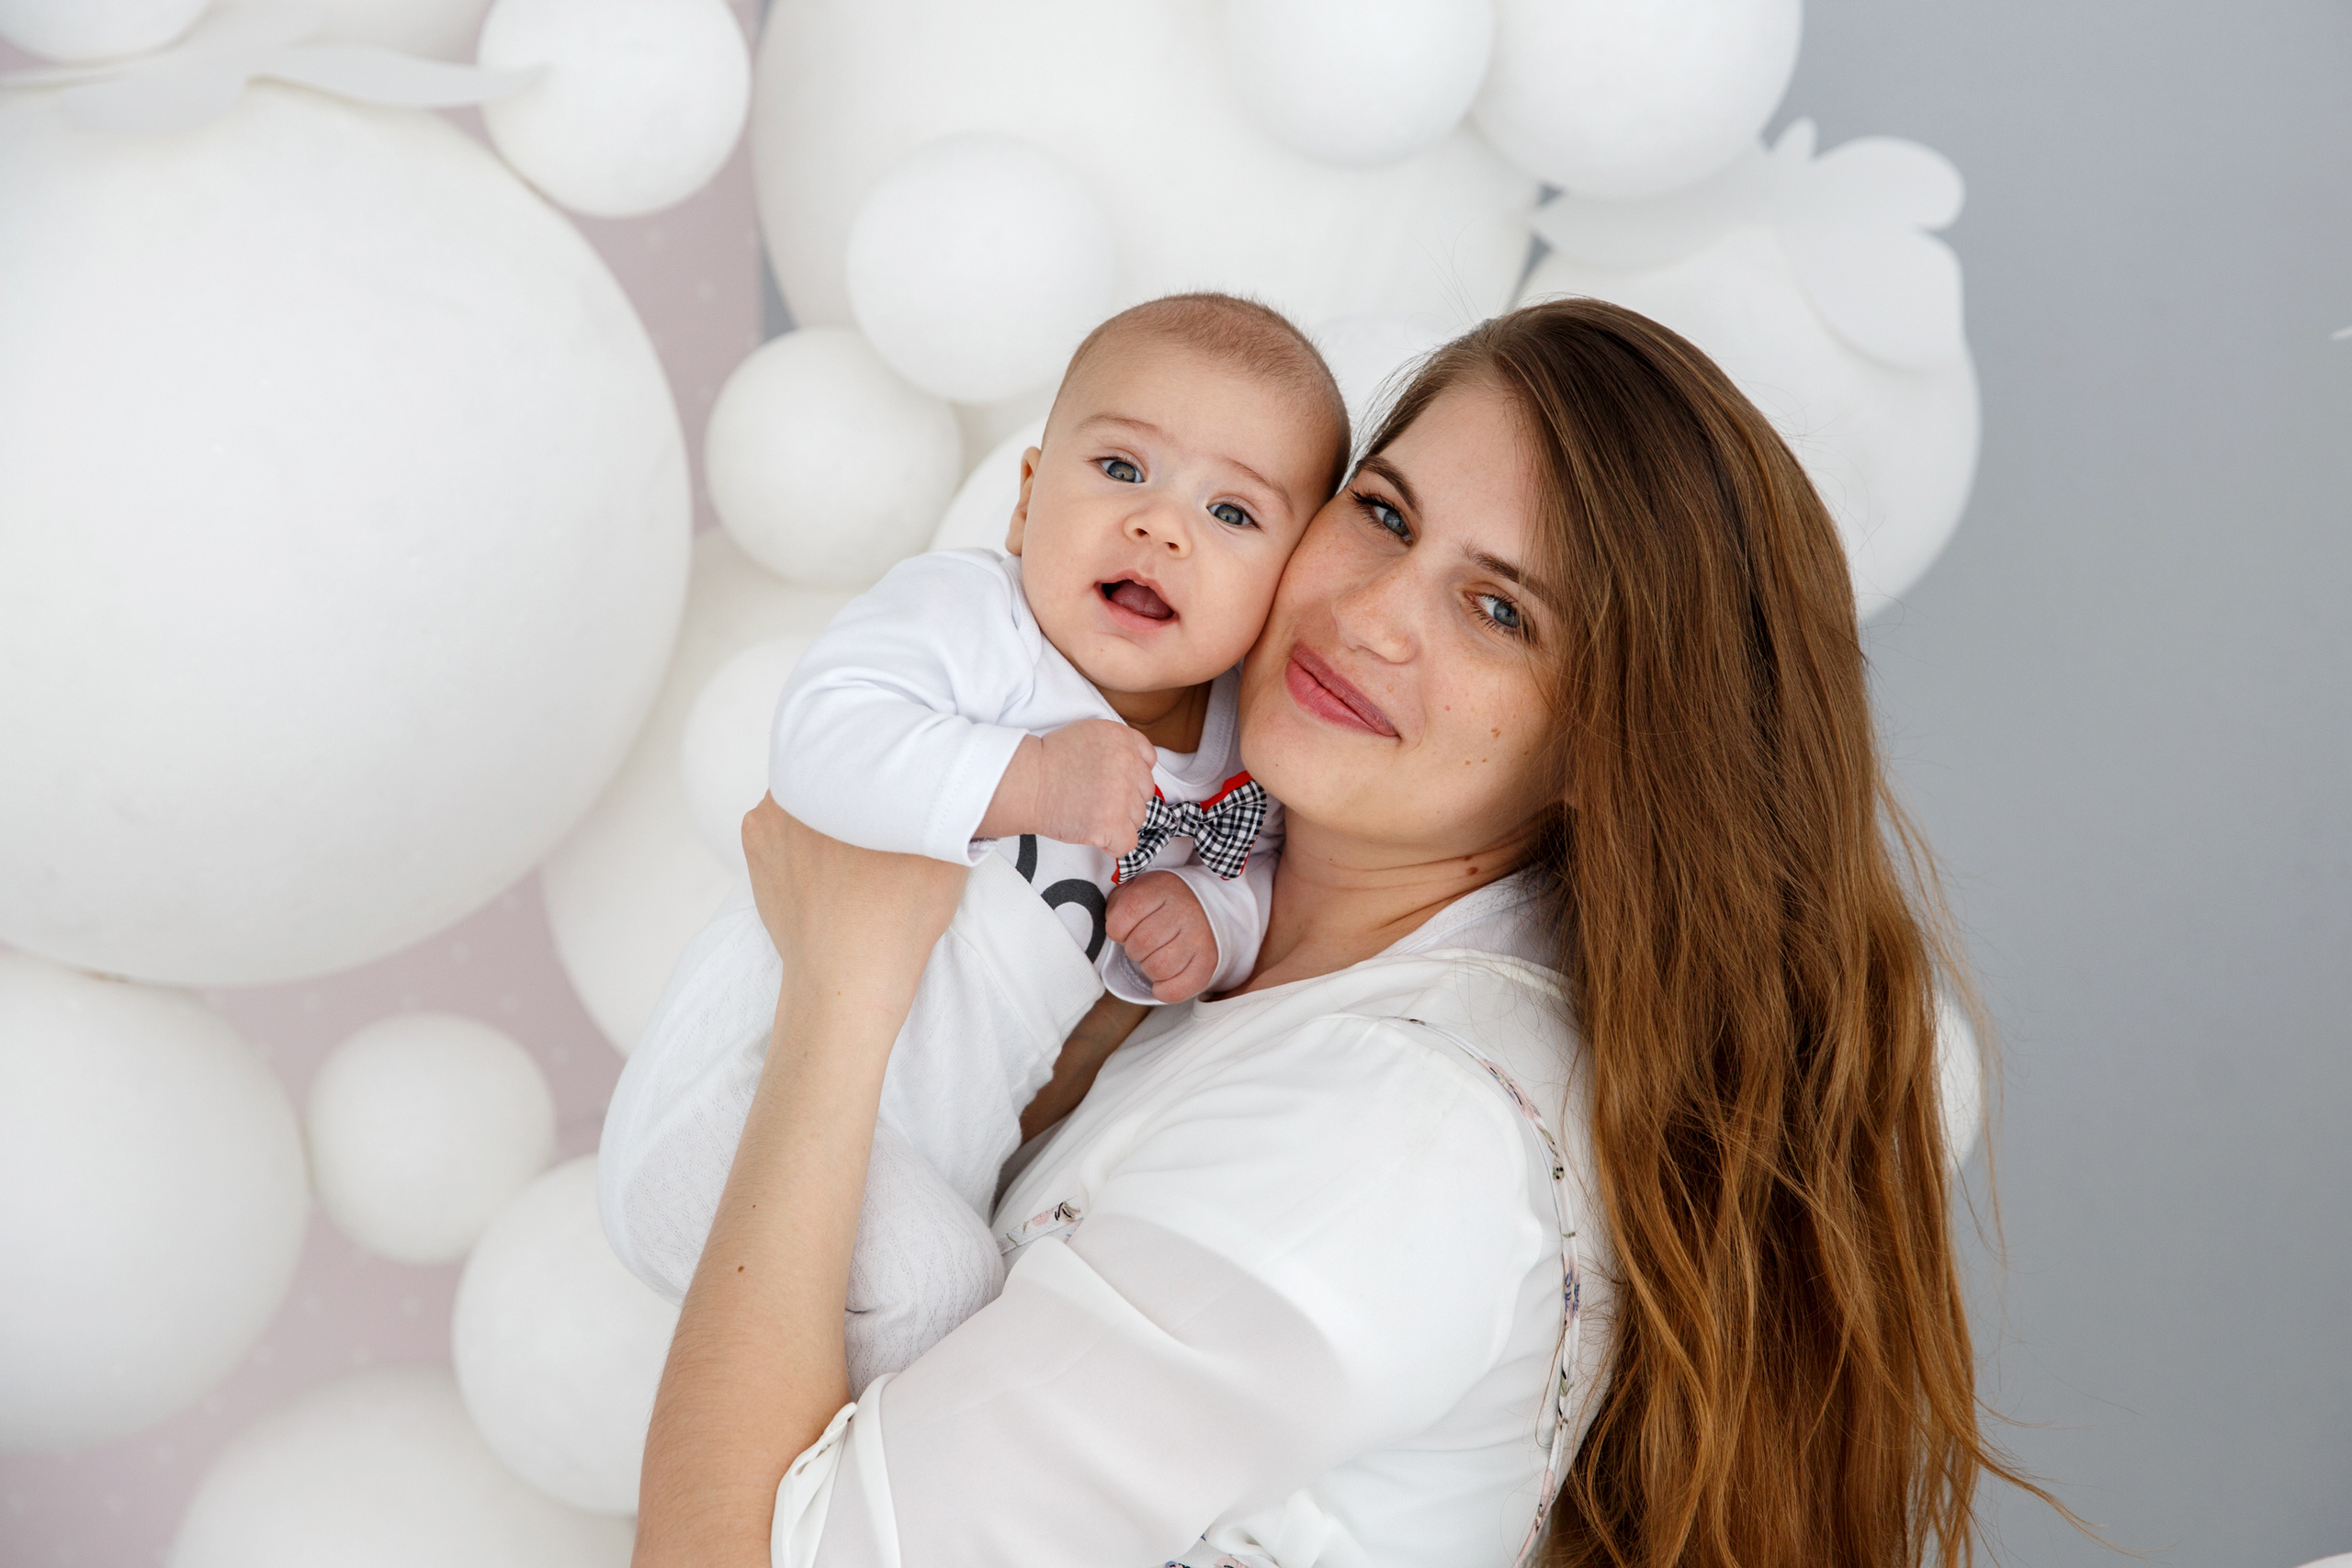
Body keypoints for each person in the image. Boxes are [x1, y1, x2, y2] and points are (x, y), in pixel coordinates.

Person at [614, 299, 2035, 1567]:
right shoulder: (1248, 896)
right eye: (1386, 516)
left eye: (1498, 610)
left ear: (1611, 741)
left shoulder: (1380, 1147)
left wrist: (842, 992)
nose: (1369, 616)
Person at [604, 292, 1349, 1389]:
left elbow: (1257, 880)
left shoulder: (1240, 752)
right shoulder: (975, 624)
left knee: (979, 1311)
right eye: (1122, 471)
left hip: (918, 1151)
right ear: (1027, 501)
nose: (1161, 527)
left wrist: (1212, 922)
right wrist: (1028, 778)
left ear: (1288, 585)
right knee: (945, 1298)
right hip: (736, 1104)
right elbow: (822, 734)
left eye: (1232, 514)